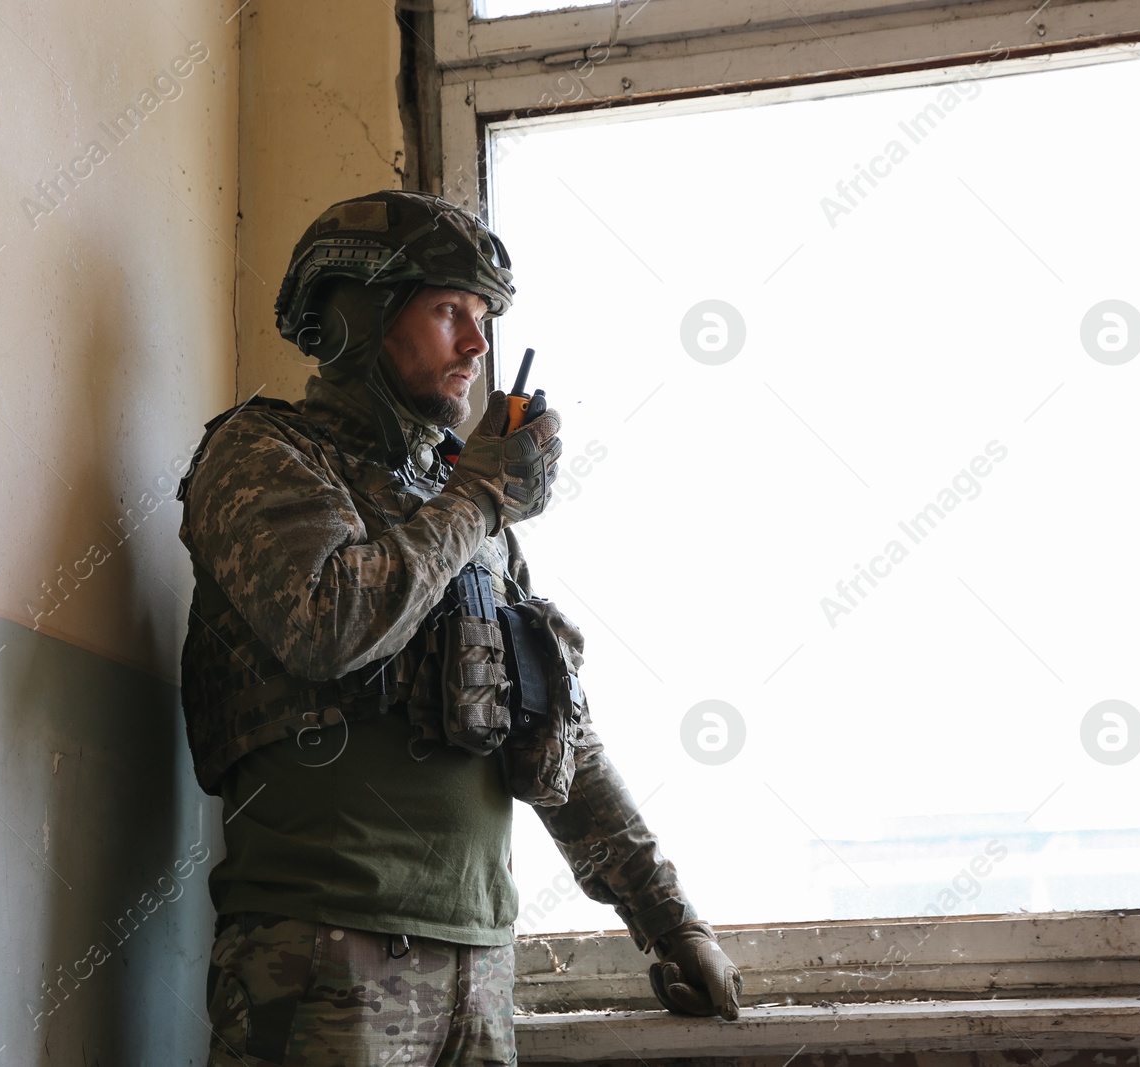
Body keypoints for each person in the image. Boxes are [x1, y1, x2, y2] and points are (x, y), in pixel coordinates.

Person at [176, 189, 741, 1066]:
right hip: (326, 958)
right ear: (358, 318)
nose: (478, 346)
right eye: (450, 312)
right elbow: (328, 624)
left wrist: (668, 921)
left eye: (483, 319)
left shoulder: (470, 514)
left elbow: (560, 730)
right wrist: (477, 494)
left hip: (479, 969)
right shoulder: (264, 455)